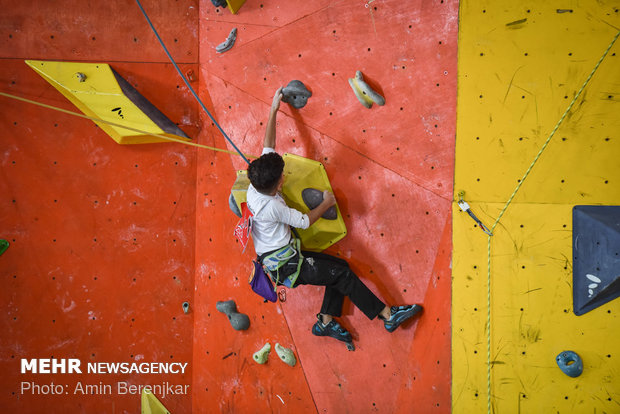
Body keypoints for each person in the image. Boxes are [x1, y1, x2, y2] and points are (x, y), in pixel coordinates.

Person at [246, 87, 422, 345]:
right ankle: (387, 315)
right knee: (341, 275)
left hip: (280, 255)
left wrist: (274, 109)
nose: (285, 176)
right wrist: (327, 202)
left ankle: (325, 322)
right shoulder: (271, 207)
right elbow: (304, 221)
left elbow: (267, 145)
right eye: (283, 176)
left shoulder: (256, 184)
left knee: (339, 269)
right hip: (287, 266)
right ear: (275, 186)